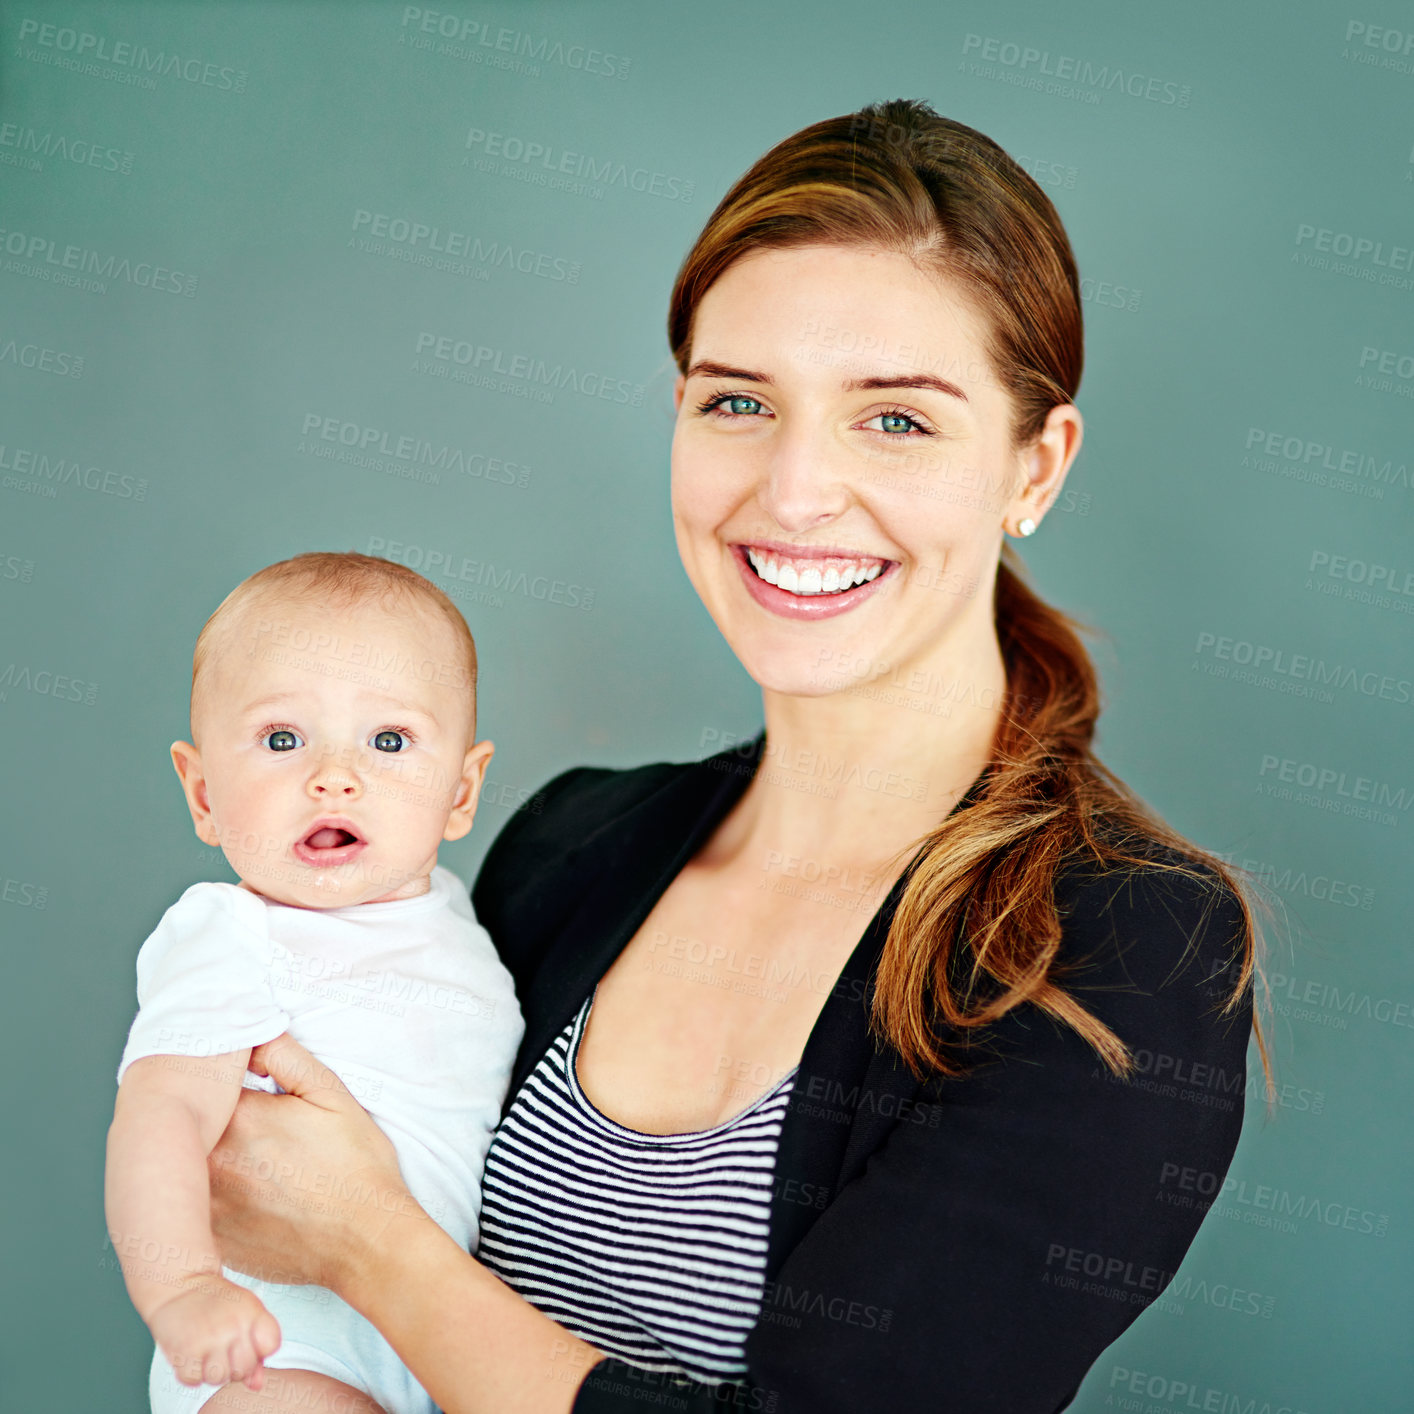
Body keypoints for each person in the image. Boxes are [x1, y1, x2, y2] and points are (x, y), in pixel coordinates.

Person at [200, 99, 1269, 1414]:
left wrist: (369, 1246)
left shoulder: (1119, 948)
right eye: (739, 401)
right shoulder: (570, 844)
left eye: (895, 420)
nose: (793, 488)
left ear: (1032, 465)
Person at [105, 552, 524, 1413]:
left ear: (462, 791)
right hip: (281, 1352)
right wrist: (183, 1287)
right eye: (283, 739)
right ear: (204, 792)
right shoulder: (228, 932)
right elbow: (162, 1117)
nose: (335, 775)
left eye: (390, 741)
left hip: (438, 1353)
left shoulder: (460, 922)